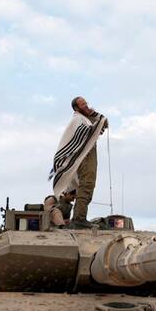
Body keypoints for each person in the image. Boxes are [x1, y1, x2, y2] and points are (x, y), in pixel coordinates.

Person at [48, 97, 108, 228]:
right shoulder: (78, 119)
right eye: (83, 105)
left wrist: (94, 115)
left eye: (87, 103)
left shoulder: (85, 119)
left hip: (88, 152)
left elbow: (104, 123)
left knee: (87, 185)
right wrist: (98, 120)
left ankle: (78, 217)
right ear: (76, 108)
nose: (86, 106)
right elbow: (88, 131)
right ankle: (79, 218)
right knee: (86, 184)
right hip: (83, 155)